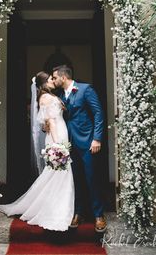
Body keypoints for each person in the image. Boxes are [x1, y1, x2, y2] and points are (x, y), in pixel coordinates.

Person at [0, 71, 75, 231]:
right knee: (58, 173)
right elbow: (51, 122)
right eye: (50, 79)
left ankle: (54, 205)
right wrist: (57, 145)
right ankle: (55, 210)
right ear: (43, 83)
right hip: (56, 137)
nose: (53, 81)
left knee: (55, 174)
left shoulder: (49, 95)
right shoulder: (46, 97)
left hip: (59, 134)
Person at [52, 65, 107, 233]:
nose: (54, 81)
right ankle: (78, 212)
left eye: (55, 77)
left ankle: (98, 215)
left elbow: (98, 113)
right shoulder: (60, 95)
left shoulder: (85, 89)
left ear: (63, 77)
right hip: (68, 144)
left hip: (87, 141)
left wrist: (97, 138)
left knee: (91, 178)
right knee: (74, 180)